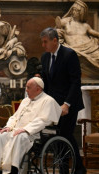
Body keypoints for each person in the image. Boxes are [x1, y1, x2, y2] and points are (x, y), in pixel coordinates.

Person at [0, 77, 62, 174]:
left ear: (38, 89)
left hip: (34, 133)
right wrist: (8, 127)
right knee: (1, 135)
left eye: (28, 87)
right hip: (17, 130)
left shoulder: (48, 101)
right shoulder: (25, 100)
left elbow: (43, 121)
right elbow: (15, 117)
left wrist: (26, 129)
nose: (26, 90)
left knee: (20, 137)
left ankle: (14, 169)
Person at [40, 27, 86, 174]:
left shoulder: (69, 55)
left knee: (64, 134)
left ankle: (68, 169)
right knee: (59, 135)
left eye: (45, 42)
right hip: (54, 104)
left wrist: (67, 104)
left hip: (69, 103)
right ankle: (76, 168)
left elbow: (75, 82)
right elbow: (46, 83)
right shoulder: (45, 57)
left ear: (55, 40)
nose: (43, 45)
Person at [55, 0, 99, 69]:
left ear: (82, 13)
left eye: (77, 11)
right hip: (75, 49)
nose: (74, 12)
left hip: (90, 48)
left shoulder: (85, 25)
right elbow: (54, 30)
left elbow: (95, 33)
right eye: (73, 10)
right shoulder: (66, 21)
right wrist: (56, 31)